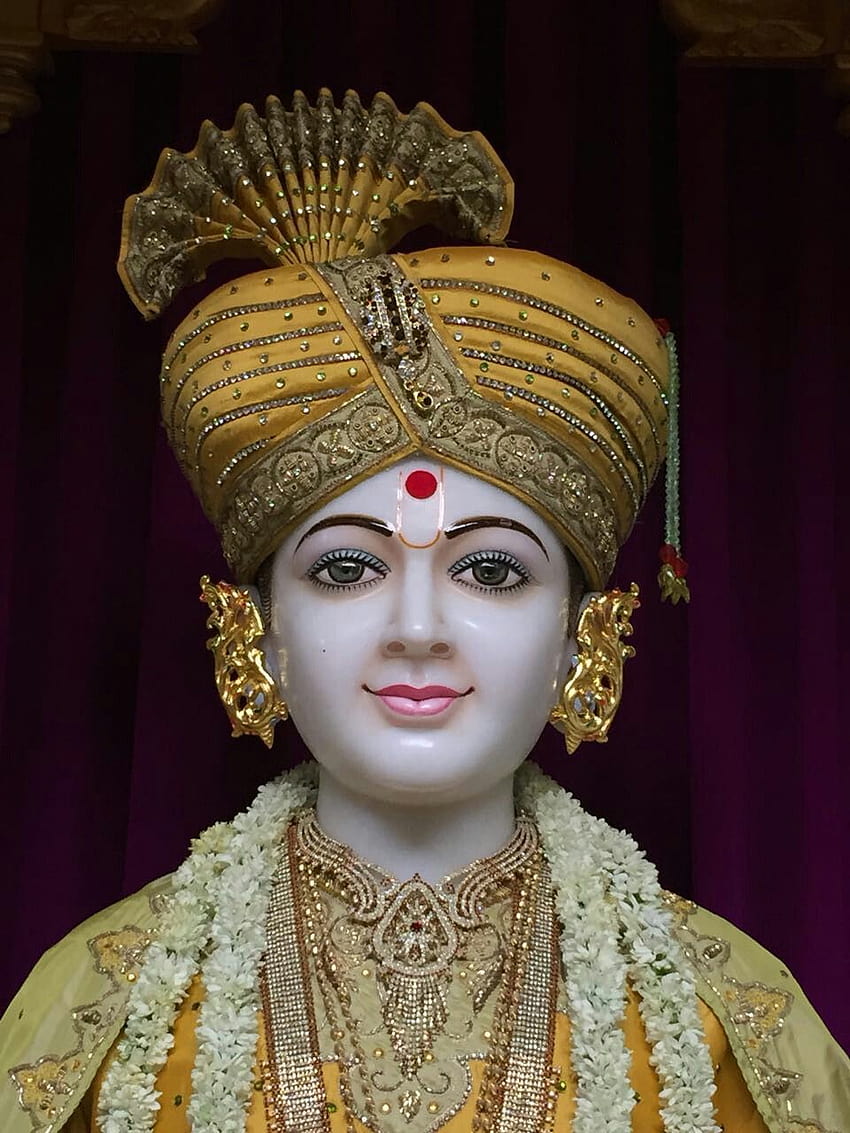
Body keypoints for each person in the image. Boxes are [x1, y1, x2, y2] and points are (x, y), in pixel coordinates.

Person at [1, 89, 848, 1133]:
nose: (415, 625)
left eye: (490, 572)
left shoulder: (729, 1024)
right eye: (346, 569)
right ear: (250, 628)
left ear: (585, 637)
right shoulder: (100, 1013)